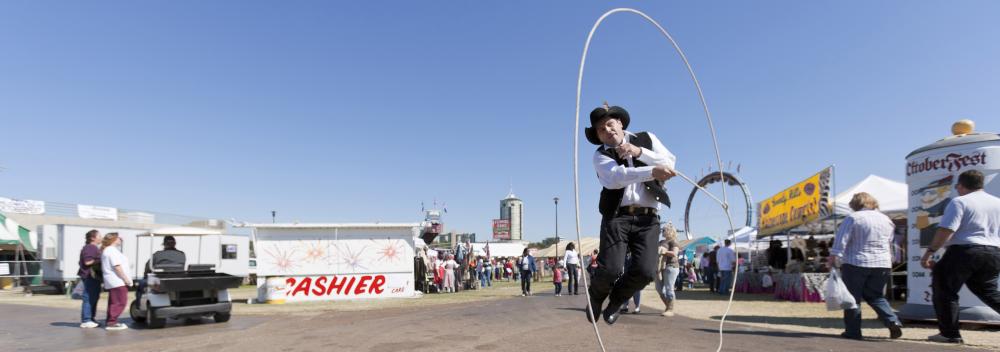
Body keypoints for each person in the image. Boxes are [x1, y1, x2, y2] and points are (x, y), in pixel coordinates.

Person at [584, 103, 677, 325]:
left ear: (620, 124)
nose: (607, 130)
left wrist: (639, 152)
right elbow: (616, 178)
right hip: (617, 216)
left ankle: (616, 301)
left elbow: (670, 162)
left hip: (649, 217)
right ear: (598, 136)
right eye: (600, 129)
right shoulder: (600, 155)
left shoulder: (647, 138)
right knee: (611, 269)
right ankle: (596, 297)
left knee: (646, 271)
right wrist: (652, 171)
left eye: (609, 124)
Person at [921, 170, 1000, 344]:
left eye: (957, 186)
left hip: (964, 250)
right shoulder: (997, 202)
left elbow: (947, 229)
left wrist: (930, 252)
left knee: (944, 290)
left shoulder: (959, 201)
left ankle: (949, 333)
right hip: (993, 251)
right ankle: (949, 333)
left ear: (961, 185)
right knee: (990, 293)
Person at [830, 192, 903, 340]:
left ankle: (853, 331)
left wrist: (833, 258)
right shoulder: (886, 219)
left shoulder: (853, 218)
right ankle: (892, 320)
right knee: (876, 296)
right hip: (882, 263)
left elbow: (841, 241)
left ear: (854, 205)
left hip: (856, 262)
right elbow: (891, 243)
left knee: (852, 299)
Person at [138, 235, 186, 303]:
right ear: (174, 244)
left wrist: (145, 275)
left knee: (141, 282)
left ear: (164, 244)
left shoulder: (157, 254)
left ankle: (138, 305)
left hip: (159, 282)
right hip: (177, 281)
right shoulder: (182, 254)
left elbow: (148, 267)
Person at [100, 233, 133, 330]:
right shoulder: (111, 251)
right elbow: (117, 266)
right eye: (119, 237)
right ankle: (112, 322)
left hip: (114, 281)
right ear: (114, 239)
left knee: (114, 301)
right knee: (120, 301)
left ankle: (110, 320)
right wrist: (125, 279)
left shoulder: (109, 250)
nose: (121, 239)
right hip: (117, 280)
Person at [78, 229, 102, 328]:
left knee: (94, 298)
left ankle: (91, 318)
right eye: (99, 236)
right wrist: (100, 259)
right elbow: (87, 262)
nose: (101, 238)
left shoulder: (93, 247)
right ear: (93, 238)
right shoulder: (91, 247)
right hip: (89, 276)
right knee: (88, 297)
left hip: (93, 277)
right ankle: (86, 320)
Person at [656, 225, 681, 317]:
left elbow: (675, 253)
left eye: (664, 230)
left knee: (669, 288)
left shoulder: (674, 241)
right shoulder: (661, 241)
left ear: (670, 231)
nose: (663, 231)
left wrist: (663, 252)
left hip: (671, 266)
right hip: (659, 268)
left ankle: (670, 309)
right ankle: (668, 306)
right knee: (659, 289)